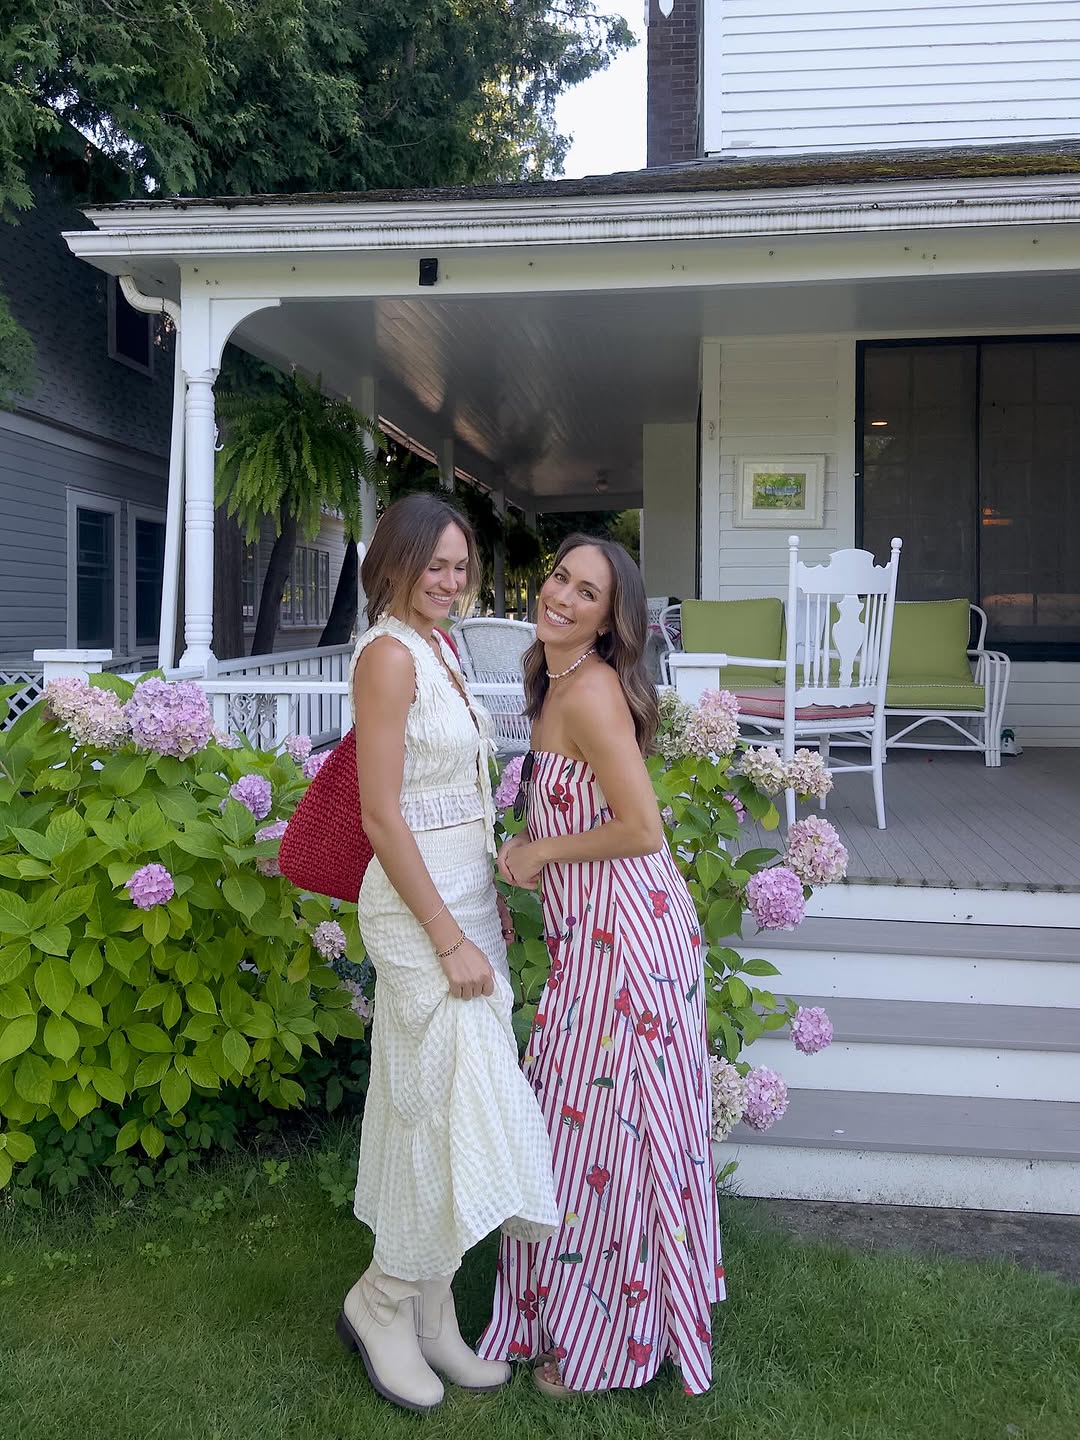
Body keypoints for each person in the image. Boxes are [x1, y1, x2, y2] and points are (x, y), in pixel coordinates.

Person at [477, 535, 723, 1397]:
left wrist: (541, 852)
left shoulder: (591, 693)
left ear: (612, 620)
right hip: (595, 934)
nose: (563, 597)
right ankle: (576, 1315)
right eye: (560, 578)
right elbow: (580, 807)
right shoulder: (554, 682)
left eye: (589, 593)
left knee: (606, 1134)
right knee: (578, 1125)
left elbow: (643, 829)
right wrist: (530, 846)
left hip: (630, 944)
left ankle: (609, 1343)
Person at [337, 493, 558, 1414]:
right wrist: (446, 934)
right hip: (418, 911)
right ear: (395, 563)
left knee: (430, 1110)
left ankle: (432, 1316)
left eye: (461, 566)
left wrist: (481, 907)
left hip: (463, 898)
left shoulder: (442, 648)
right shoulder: (388, 656)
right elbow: (381, 815)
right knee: (451, 1103)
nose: (451, 580)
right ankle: (381, 1298)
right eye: (435, 564)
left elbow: (460, 791)